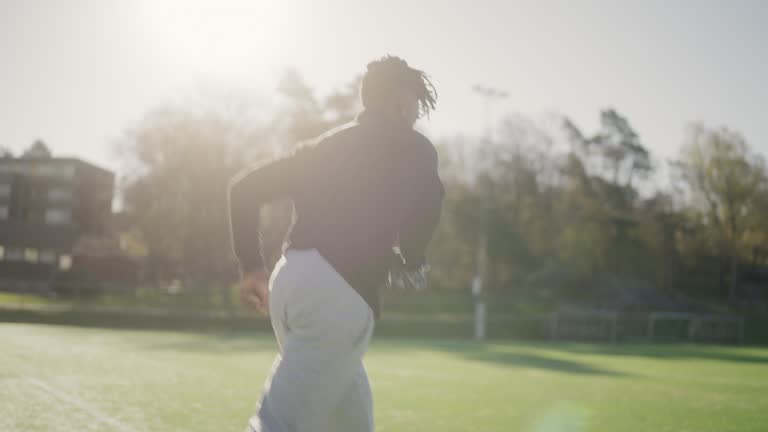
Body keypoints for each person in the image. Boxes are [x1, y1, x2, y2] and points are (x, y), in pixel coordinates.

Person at [228, 55, 444, 432]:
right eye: (413, 103)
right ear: (400, 102)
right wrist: (411, 260)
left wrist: (251, 266)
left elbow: (243, 190)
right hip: (336, 296)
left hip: (289, 283)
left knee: (351, 422)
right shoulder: (413, 146)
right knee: (277, 425)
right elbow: (428, 204)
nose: (414, 115)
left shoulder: (322, 147)